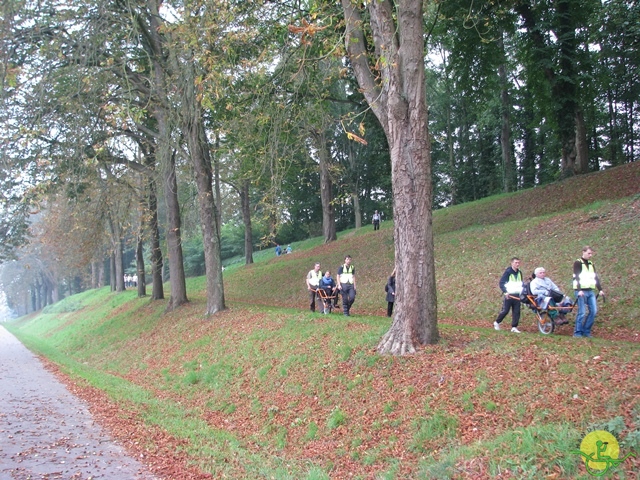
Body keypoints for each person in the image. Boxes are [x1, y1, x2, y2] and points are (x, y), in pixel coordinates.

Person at [572, 246, 604, 338]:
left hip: (590, 291)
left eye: (591, 253)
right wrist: (579, 290)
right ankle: (577, 332)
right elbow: (576, 277)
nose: (590, 255)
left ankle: (586, 331)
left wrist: (600, 289)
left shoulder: (591, 263)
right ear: (583, 252)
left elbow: (595, 277)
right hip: (581, 291)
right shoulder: (578, 263)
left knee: (593, 311)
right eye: (589, 253)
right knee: (582, 312)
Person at [493, 257, 524, 333]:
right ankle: (497, 322)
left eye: (518, 263)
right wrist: (505, 292)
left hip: (517, 294)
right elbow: (501, 283)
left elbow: (521, 283)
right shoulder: (508, 272)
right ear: (512, 263)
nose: (517, 264)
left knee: (517, 311)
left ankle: (514, 327)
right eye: (516, 262)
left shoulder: (520, 272)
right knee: (505, 310)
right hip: (509, 295)